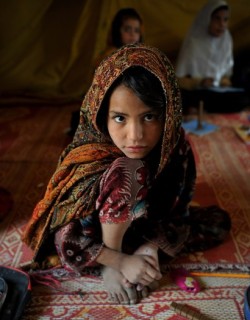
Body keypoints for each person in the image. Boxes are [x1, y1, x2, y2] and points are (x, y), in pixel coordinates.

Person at [23, 44, 231, 305]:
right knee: (129, 171)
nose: (135, 136)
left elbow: (178, 212)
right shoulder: (89, 155)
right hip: (91, 241)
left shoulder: (175, 146)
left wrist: (150, 249)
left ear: (168, 114)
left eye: (149, 117)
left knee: (217, 222)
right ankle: (113, 261)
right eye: (120, 118)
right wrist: (117, 261)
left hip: (144, 226)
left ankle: (139, 256)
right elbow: (66, 235)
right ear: (101, 115)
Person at [69, 8, 143, 137]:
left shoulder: (137, 55)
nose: (132, 35)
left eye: (136, 30)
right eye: (127, 29)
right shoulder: (111, 56)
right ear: (116, 31)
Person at [175, 0, 247, 113]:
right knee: (185, 99)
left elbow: (226, 75)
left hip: (216, 93)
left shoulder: (226, 40)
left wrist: (224, 82)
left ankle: (207, 109)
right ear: (207, 19)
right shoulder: (194, 42)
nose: (222, 24)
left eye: (225, 19)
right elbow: (179, 80)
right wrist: (201, 82)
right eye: (217, 19)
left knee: (243, 97)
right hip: (197, 92)